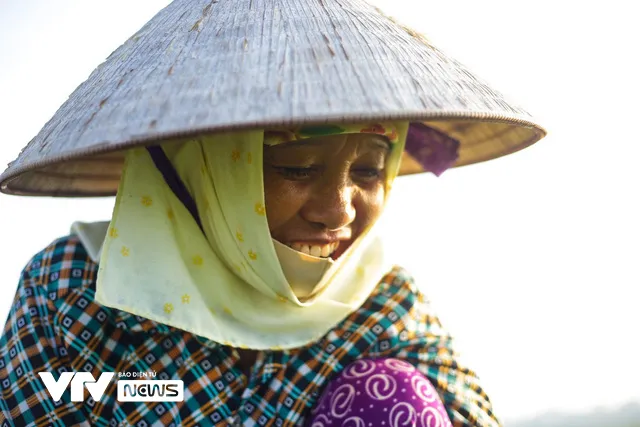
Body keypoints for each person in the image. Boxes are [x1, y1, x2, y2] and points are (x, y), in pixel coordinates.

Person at [0, 0, 545, 426]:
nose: (337, 212)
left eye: (368, 173)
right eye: (298, 167)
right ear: (204, 172)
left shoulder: (385, 308)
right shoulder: (74, 294)